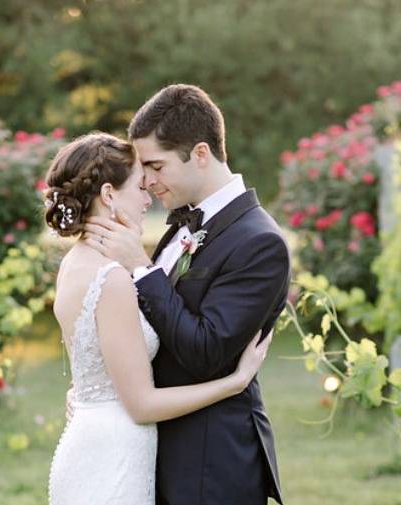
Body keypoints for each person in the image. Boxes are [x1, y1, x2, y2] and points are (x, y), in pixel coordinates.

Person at [84, 84, 291, 505]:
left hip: (209, 461)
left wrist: (141, 268)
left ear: (200, 153)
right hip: (158, 443)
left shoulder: (260, 243)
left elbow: (205, 351)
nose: (145, 180)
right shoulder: (182, 224)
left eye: (155, 166)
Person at [45, 132, 272, 505]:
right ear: (108, 196)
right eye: (138, 185)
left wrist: (86, 397)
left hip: (94, 438)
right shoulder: (113, 279)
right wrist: (235, 381)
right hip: (114, 457)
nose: (147, 195)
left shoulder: (75, 263)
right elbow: (141, 404)